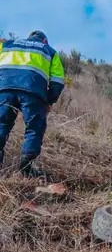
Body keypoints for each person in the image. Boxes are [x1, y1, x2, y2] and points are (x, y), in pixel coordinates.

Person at [0, 30, 65, 177]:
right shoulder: (49, 51)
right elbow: (57, 81)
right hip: (33, 93)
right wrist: (49, 100)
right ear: (44, 41)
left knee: (1, 124)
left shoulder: (6, 45)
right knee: (34, 128)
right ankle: (26, 167)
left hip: (5, 90)